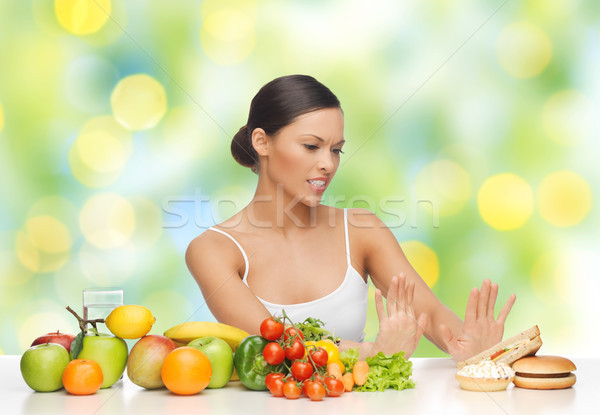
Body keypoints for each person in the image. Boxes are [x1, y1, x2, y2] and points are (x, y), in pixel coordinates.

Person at [186, 74, 516, 361]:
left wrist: (471, 345)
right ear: (262, 142)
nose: (328, 164)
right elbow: (273, 344)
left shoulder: (361, 230)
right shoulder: (213, 250)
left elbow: (428, 311)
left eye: (336, 149)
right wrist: (373, 352)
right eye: (311, 146)